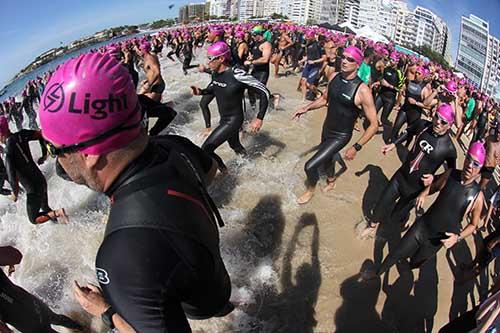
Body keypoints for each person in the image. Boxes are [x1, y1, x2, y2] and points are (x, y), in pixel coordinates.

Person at [39, 52, 233, 332]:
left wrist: (105, 312)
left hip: (195, 301)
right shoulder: (176, 146)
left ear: (90, 155)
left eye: (54, 150)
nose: (57, 163)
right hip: (213, 279)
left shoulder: (124, 256)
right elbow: (211, 169)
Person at [365, 141, 485, 279]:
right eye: (468, 159)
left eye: (475, 164)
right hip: (422, 226)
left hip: (437, 240)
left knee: (415, 262)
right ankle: (377, 273)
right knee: (396, 253)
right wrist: (423, 194)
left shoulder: (477, 197)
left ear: (480, 168)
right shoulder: (450, 174)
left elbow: (473, 225)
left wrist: (457, 238)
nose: (470, 166)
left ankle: (407, 268)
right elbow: (434, 187)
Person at [292, 46, 378, 204]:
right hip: (327, 128)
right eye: (343, 57)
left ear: (358, 64)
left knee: (310, 166)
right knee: (328, 160)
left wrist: (356, 147)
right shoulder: (334, 76)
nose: (344, 61)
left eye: (350, 59)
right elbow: (325, 100)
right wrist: (306, 108)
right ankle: (332, 181)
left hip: (341, 135)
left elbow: (374, 124)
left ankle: (310, 190)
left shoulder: (363, 91)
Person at [360, 104, 457, 238]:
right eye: (436, 117)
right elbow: (409, 132)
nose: (438, 123)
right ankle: (371, 226)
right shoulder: (423, 125)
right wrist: (393, 144)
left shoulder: (449, 149)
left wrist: (435, 178)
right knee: (380, 206)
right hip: (400, 177)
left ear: (450, 125)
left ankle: (403, 220)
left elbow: (451, 172)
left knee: (395, 218)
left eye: (443, 122)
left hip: (415, 189)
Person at [191, 42, 270, 169]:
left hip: (233, 120)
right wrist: (201, 92)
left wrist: (259, 118)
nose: (207, 62)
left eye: (210, 59)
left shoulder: (237, 74)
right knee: (235, 145)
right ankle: (250, 165)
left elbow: (264, 92)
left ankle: (224, 171)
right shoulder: (215, 73)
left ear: (221, 59)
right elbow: (214, 87)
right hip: (224, 118)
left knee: (206, 149)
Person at [0, 116, 68, 224]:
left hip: (33, 189)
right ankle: (63, 224)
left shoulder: (8, 152)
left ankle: (58, 213)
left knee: (33, 219)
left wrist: (15, 195)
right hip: (41, 180)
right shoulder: (21, 134)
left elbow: (12, 177)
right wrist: (44, 154)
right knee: (46, 209)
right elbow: (41, 134)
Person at [0, 246, 82, 333]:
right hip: (32, 307)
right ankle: (83, 328)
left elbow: (16, 257)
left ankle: (83, 328)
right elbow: (16, 257)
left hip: (29, 317)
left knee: (55, 318)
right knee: (56, 318)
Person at [390, 66, 432, 144]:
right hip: (404, 110)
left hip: (414, 115)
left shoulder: (425, 89)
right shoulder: (409, 82)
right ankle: (392, 143)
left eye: (419, 73)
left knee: (409, 134)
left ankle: (405, 146)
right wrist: (403, 91)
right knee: (395, 127)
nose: (416, 74)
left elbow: (428, 106)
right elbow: (404, 89)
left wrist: (416, 103)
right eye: (416, 72)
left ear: (423, 75)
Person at [245, 26, 272, 110]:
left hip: (263, 72)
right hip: (255, 70)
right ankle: (254, 109)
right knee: (250, 90)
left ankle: (273, 97)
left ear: (258, 34)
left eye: (253, 35)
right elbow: (257, 55)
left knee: (258, 91)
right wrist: (251, 57)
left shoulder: (266, 44)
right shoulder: (256, 43)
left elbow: (265, 59)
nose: (252, 37)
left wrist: (251, 62)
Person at [374, 54, 404, 126]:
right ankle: (373, 126)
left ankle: (390, 124)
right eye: (390, 59)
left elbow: (400, 89)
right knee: (373, 112)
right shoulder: (386, 68)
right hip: (381, 95)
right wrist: (377, 83)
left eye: (393, 60)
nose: (390, 61)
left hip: (390, 99)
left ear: (397, 62)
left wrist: (389, 86)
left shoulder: (399, 73)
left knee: (383, 119)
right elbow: (382, 80)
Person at [298, 31, 326, 101]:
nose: (307, 38)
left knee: (308, 84)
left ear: (313, 36)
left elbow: (324, 58)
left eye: (308, 37)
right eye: (306, 36)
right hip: (308, 66)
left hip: (315, 67)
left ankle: (318, 93)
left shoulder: (319, 45)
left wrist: (314, 61)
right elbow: (308, 56)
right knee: (303, 82)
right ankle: (303, 99)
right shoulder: (308, 45)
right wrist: (302, 60)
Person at [480, 120, 500, 189]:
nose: (498, 134)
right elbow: (482, 147)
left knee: (480, 187)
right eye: (497, 132)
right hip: (481, 163)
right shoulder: (489, 138)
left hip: (489, 169)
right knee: (469, 180)